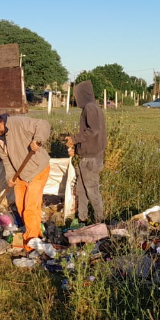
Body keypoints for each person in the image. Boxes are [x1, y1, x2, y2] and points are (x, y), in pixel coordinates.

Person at [0, 112, 51, 243]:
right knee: (21, 206)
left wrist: (38, 139)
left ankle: (31, 240)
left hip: (37, 169)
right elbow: (6, 160)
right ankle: (34, 230)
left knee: (30, 206)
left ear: (0, 124)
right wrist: (10, 177)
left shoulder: (18, 123)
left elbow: (43, 124)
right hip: (19, 173)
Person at [65, 80, 107, 223]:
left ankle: (99, 222)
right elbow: (91, 137)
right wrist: (76, 150)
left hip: (91, 160)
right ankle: (82, 219)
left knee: (92, 191)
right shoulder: (92, 107)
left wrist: (74, 139)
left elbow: (93, 131)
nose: (75, 98)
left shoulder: (90, 107)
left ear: (82, 94)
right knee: (81, 190)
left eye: (76, 95)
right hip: (88, 157)